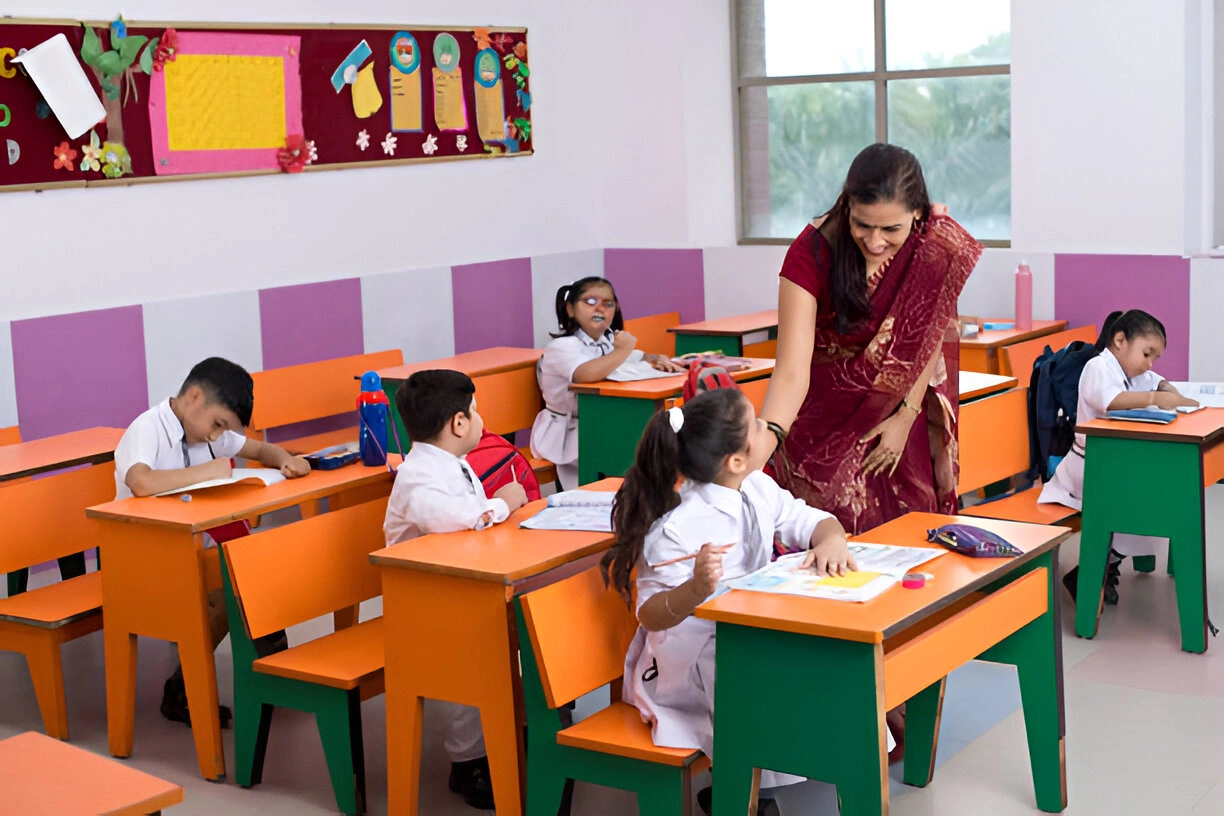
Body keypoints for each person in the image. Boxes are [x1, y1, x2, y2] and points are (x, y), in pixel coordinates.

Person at [601, 388, 859, 815]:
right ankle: (750, 792)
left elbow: (805, 518)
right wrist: (695, 590)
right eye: (757, 425)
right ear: (735, 460)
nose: (767, 428)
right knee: (753, 673)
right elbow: (649, 612)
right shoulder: (677, 526)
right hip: (693, 654)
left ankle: (795, 770)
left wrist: (831, 537)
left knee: (821, 656)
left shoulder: (757, 485)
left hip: (747, 631)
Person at [757, 143, 983, 536]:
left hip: (897, 421)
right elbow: (791, 372)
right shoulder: (810, 253)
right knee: (829, 549)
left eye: (890, 228)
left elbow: (928, 336)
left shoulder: (931, 246)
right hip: (822, 427)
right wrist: (761, 447)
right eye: (862, 224)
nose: (875, 241)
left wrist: (906, 416)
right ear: (846, 206)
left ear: (917, 212)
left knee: (908, 544)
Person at [112, 357, 311, 726]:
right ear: (193, 396)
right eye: (218, 425)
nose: (219, 437)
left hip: (194, 553)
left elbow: (258, 450)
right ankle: (183, 688)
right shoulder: (147, 429)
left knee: (260, 569)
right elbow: (140, 482)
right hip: (148, 560)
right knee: (231, 587)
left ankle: (271, 674)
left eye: (226, 431)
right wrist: (207, 471)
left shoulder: (209, 432)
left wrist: (286, 460)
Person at [383, 368, 529, 810]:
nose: (482, 419)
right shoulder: (417, 476)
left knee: (526, 621)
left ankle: (519, 723)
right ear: (458, 424)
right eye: (477, 410)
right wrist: (502, 502)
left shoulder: (452, 463)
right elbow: (444, 517)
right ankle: (468, 760)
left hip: (460, 586)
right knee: (486, 645)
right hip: (425, 604)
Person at [1039, 310, 1197, 603]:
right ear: (1120, 340)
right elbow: (1111, 401)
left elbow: (1154, 379)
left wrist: (1165, 387)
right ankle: (1095, 569)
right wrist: (1154, 399)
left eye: (1155, 358)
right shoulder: (1099, 367)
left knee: (1160, 503)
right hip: (1087, 470)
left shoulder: (1131, 371)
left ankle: (1101, 565)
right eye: (1147, 353)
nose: (1149, 363)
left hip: (1114, 468)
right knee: (1145, 505)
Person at [531, 276, 681, 489]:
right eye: (590, 302)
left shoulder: (605, 343)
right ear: (570, 309)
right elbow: (585, 373)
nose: (599, 308)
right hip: (570, 432)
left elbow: (633, 357)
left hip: (604, 423)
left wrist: (654, 359)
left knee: (657, 443)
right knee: (640, 451)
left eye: (608, 304)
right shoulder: (562, 347)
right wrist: (623, 350)